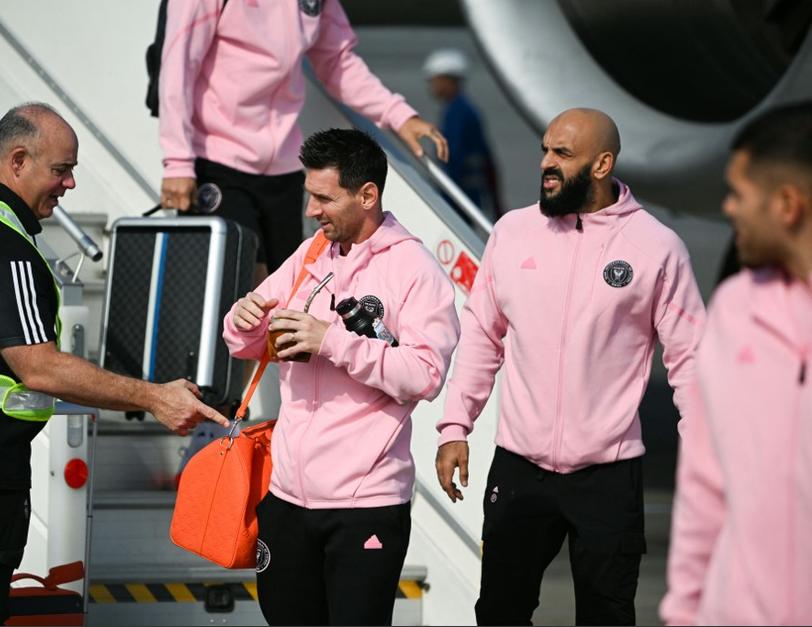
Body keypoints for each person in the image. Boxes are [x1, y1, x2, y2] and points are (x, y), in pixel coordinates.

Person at [0, 103, 228, 626]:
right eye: (61, 170)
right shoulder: (3, 242)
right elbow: (40, 368)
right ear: (18, 160)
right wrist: (154, 396)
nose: (69, 185)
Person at [435, 108, 705, 626]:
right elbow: (481, 338)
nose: (546, 164)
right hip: (519, 468)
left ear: (602, 163)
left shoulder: (656, 248)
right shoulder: (513, 233)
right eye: (545, 150)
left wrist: (703, 464)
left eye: (563, 154)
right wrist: (454, 427)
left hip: (608, 472)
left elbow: (691, 364)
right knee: (498, 612)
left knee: (607, 616)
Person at [222, 128, 459, 625]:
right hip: (287, 497)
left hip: (365, 503)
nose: (312, 209)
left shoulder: (416, 269)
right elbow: (249, 340)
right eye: (310, 195)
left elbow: (426, 374)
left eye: (324, 197)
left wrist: (330, 341)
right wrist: (241, 319)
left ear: (367, 195)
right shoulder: (311, 255)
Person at [159, 0, 448, 283]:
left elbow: (337, 62)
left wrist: (399, 115)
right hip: (216, 160)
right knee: (235, 284)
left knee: (288, 289)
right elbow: (178, 66)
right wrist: (178, 164)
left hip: (283, 170)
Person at [660, 102, 812, 626]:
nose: (728, 209)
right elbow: (705, 481)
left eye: (740, 194)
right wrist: (684, 611)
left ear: (787, 205)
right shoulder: (734, 310)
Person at [424, 48, 502, 220]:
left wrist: (443, 196)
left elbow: (454, 157)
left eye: (435, 81)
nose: (432, 87)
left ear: (448, 80)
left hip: (459, 196)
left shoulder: (457, 113)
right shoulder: (465, 110)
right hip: (469, 194)